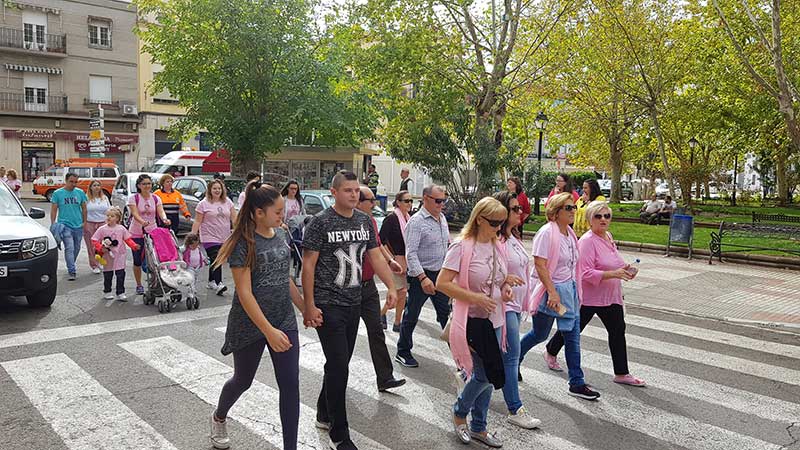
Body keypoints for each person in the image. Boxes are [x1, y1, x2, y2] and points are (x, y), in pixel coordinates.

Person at [301, 171, 398, 450]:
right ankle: (339, 433)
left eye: (357, 190)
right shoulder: (320, 223)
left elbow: (375, 255)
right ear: (334, 192)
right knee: (339, 366)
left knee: (337, 364)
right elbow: (308, 266)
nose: (354, 195)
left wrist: (390, 287)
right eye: (348, 190)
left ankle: (323, 412)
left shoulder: (365, 220)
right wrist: (309, 305)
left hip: (354, 301)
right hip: (328, 303)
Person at [210, 182, 306, 450]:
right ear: (257, 213)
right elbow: (244, 293)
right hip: (250, 323)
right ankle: (219, 416)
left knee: (290, 384)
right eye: (277, 211)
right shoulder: (243, 243)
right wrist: (268, 331)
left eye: (282, 211)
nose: (282, 216)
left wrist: (304, 307)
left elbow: (284, 277)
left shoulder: (282, 234)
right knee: (243, 380)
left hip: (284, 320)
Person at [436, 197, 518, 448]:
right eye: (495, 222)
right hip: (471, 321)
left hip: (494, 320)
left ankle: (479, 427)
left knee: (491, 374)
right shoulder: (462, 247)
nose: (499, 227)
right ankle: (460, 413)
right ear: (479, 219)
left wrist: (507, 285)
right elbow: (442, 283)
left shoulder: (497, 245)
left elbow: (498, 278)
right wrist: (475, 298)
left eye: (502, 223)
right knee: (484, 375)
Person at [543, 201, 646, 387]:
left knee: (617, 331)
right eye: (598, 216)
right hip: (589, 297)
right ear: (590, 219)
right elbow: (585, 273)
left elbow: (610, 262)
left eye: (607, 216)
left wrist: (625, 269)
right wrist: (613, 274)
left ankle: (621, 372)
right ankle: (551, 350)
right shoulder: (587, 241)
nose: (603, 220)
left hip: (610, 297)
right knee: (572, 329)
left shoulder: (608, 236)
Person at [519, 192, 600, 401]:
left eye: (574, 207)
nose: (574, 211)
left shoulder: (569, 234)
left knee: (572, 336)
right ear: (555, 212)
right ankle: (512, 360)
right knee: (540, 334)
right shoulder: (547, 233)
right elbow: (540, 264)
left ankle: (576, 382)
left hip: (569, 293)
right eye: (568, 208)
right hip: (552, 294)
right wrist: (553, 293)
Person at [491, 191, 542, 429]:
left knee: (497, 357)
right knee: (512, 357)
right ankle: (515, 408)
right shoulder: (496, 241)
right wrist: (505, 282)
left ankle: (466, 377)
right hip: (504, 305)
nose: (520, 212)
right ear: (502, 212)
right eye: (515, 209)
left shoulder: (512, 237)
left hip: (515, 304)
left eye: (519, 208)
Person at [356, 185, 407, 392]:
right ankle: (328, 399)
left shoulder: (369, 222)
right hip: (348, 290)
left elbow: (376, 247)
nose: (374, 203)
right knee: (343, 347)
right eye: (370, 200)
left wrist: (390, 261)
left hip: (368, 287)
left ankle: (385, 377)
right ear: (358, 202)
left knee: (376, 330)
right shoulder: (344, 223)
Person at [395, 184, 451, 369]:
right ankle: (403, 351)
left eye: (444, 200)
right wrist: (422, 277)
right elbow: (410, 253)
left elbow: (446, 246)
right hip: (422, 276)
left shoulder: (442, 218)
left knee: (446, 315)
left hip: (440, 275)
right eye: (438, 201)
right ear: (425, 198)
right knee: (412, 314)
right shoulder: (417, 221)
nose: (441, 204)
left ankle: (459, 354)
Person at [192, 179, 237, 296]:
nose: (217, 190)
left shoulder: (228, 202)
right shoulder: (203, 204)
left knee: (215, 259)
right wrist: (192, 236)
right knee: (217, 257)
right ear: (210, 190)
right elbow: (197, 221)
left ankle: (211, 281)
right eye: (214, 188)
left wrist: (238, 230)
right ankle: (219, 283)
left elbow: (234, 218)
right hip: (209, 236)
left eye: (219, 188)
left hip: (224, 236)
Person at [128, 174, 171, 295]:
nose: (147, 186)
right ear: (139, 186)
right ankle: (139, 284)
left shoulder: (156, 198)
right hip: (137, 232)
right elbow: (135, 213)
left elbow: (161, 211)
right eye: (144, 184)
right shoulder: (134, 198)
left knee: (155, 259)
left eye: (149, 183)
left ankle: (155, 281)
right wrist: (142, 222)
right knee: (137, 260)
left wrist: (164, 219)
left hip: (153, 232)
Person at [379, 190, 413, 332]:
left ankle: (397, 322)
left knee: (403, 292)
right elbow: (380, 240)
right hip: (395, 260)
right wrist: (391, 259)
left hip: (407, 260)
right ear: (398, 202)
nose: (410, 204)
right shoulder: (392, 218)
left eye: (411, 201)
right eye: (406, 201)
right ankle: (382, 314)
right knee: (399, 291)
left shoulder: (409, 218)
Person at [91, 207, 139, 301]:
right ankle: (107, 291)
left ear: (117, 218)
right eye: (108, 215)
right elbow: (94, 240)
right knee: (108, 274)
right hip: (108, 256)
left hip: (120, 255)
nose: (109, 217)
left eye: (112, 216)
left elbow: (127, 239)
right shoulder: (102, 229)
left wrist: (134, 246)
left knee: (120, 274)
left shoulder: (121, 229)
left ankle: (120, 292)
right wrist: (100, 247)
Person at [50, 172, 88, 281]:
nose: (74, 184)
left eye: (76, 182)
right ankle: (72, 270)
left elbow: (84, 208)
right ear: (66, 181)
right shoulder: (58, 193)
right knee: (69, 247)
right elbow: (54, 210)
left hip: (78, 225)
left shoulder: (80, 193)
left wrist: (85, 222)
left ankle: (71, 263)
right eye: (71, 181)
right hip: (65, 225)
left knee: (77, 248)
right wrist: (53, 223)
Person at [83, 180, 111, 274]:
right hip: (90, 223)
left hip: (102, 223)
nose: (96, 187)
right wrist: (84, 223)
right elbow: (82, 211)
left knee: (103, 245)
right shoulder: (86, 198)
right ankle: (94, 264)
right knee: (91, 246)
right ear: (90, 187)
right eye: (94, 185)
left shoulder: (104, 198)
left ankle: (100, 261)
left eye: (98, 185)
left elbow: (109, 210)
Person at [182, 232, 208, 302]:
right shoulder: (186, 250)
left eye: (196, 245)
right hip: (190, 267)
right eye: (193, 246)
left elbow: (201, 255)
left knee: (195, 277)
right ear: (188, 244)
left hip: (197, 266)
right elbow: (181, 251)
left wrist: (205, 260)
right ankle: (191, 289)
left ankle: (193, 287)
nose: (195, 247)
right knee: (191, 278)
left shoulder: (197, 249)